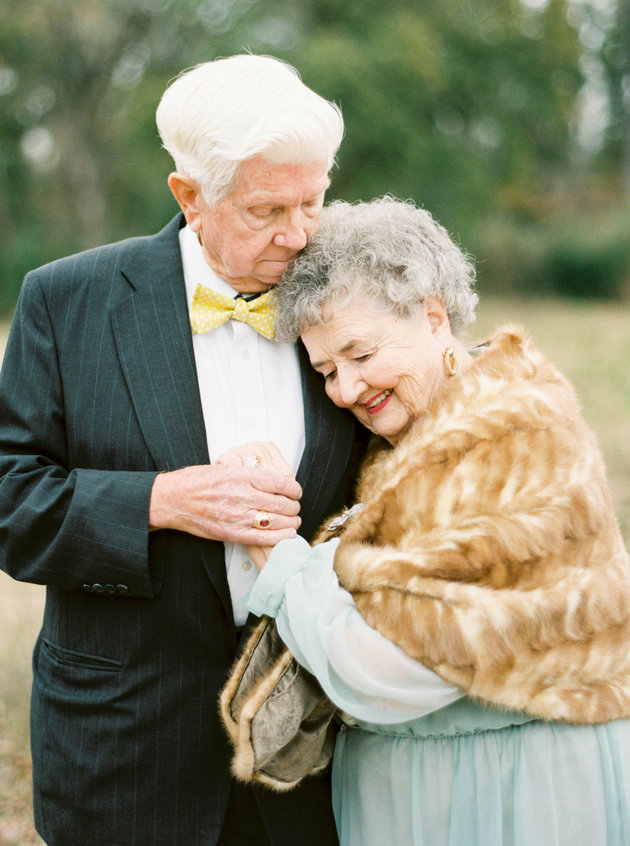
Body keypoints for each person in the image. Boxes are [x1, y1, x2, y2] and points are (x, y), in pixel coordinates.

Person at [0, 55, 367, 846]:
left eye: (314, 200)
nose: (300, 233)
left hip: (317, 759)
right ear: (189, 196)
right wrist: (159, 503)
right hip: (126, 755)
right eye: (269, 209)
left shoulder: (355, 294)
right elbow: (9, 499)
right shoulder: (66, 301)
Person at [223, 197, 630, 846]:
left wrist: (282, 558)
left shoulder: (505, 444)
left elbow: (384, 675)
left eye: (360, 353)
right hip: (438, 783)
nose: (346, 390)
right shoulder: (430, 432)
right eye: (326, 370)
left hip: (503, 793)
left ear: (434, 315)